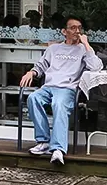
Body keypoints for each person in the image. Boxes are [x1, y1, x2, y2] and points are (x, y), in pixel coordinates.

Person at [18, 16, 102, 166]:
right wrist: (31, 72)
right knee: (33, 98)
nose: (77, 31)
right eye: (73, 28)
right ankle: (43, 141)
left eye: (79, 28)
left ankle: (58, 149)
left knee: (59, 103)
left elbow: (96, 67)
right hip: (49, 87)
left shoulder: (84, 50)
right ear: (64, 31)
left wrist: (87, 45)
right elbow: (41, 66)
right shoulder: (53, 48)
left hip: (67, 89)